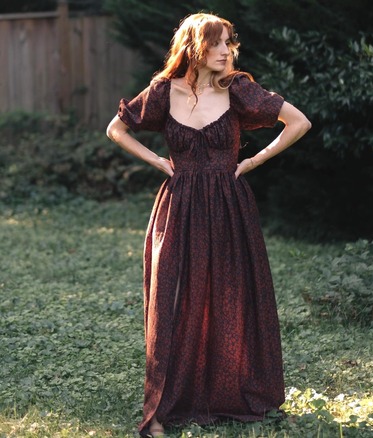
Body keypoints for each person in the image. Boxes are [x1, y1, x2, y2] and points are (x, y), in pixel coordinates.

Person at [106, 13, 310, 437]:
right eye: (217, 44)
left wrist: (253, 160)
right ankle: (163, 405)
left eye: (229, 43)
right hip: (177, 207)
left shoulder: (238, 89)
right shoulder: (163, 91)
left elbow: (299, 122)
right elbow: (116, 129)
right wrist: (160, 161)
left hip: (229, 206)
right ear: (195, 47)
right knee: (172, 299)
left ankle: (228, 393)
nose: (226, 51)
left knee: (231, 297)